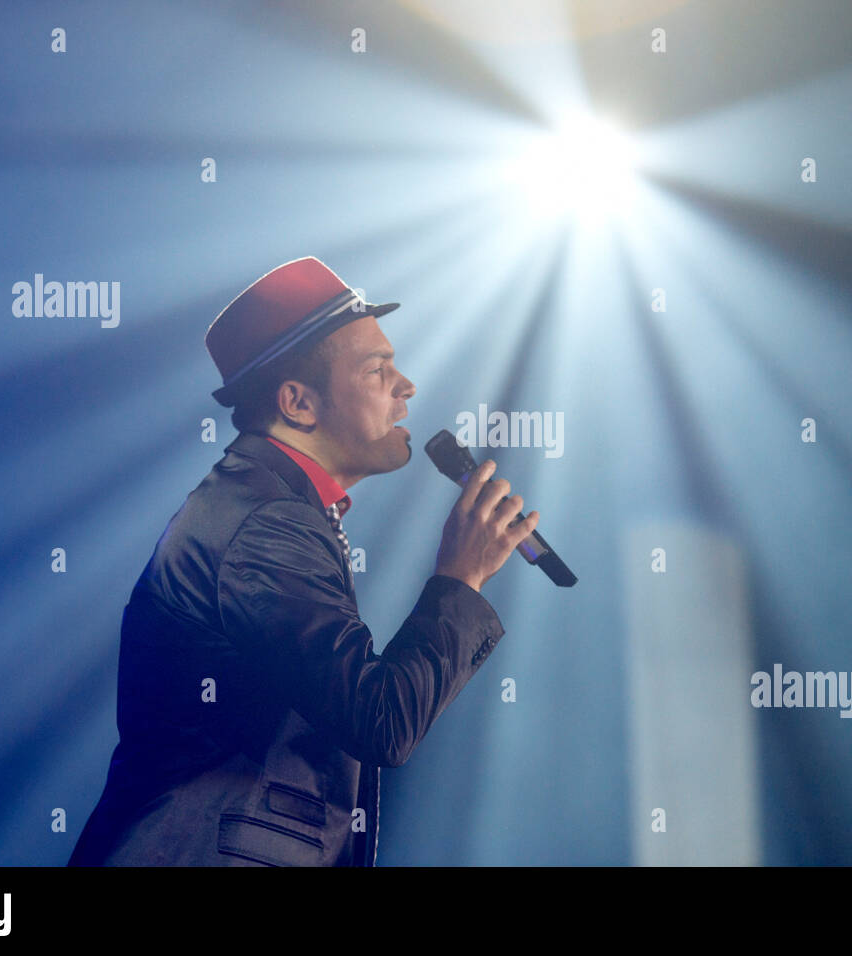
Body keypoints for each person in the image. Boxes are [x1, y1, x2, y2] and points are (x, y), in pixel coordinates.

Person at [68, 257, 539, 866]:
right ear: (298, 402)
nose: (407, 387)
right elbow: (380, 719)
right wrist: (460, 577)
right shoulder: (267, 524)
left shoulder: (267, 504)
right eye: (377, 370)